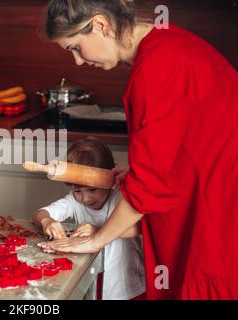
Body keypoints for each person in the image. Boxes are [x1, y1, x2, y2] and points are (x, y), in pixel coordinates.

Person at [38, 0, 238, 299]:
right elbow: (182, 141)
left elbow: (151, 181)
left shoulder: (157, 65)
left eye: (75, 47)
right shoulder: (166, 43)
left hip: (214, 213)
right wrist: (136, 172)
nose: (78, 61)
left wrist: (99, 240)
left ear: (100, 25)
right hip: (209, 198)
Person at [33, 138, 146, 300]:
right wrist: (47, 221)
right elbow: (40, 213)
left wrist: (100, 231)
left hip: (130, 287)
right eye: (78, 190)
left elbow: (141, 227)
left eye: (92, 189)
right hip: (94, 287)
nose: (85, 198)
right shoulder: (73, 201)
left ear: (110, 177)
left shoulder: (121, 198)